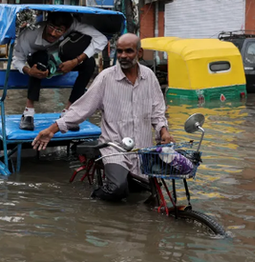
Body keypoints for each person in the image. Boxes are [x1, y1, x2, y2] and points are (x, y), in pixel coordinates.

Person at [32, 33, 174, 202]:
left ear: (140, 53)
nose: (123, 56)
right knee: (117, 189)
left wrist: (164, 132)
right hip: (114, 147)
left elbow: (157, 111)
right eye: (119, 51)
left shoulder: (149, 76)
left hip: (142, 149)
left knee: (147, 194)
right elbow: (81, 109)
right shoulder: (106, 78)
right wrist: (51, 130)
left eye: (128, 51)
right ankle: (95, 199)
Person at [13, 12, 107, 131]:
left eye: (59, 30)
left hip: (62, 60)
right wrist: (29, 71)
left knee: (89, 63)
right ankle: (28, 112)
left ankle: (68, 111)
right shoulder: (29, 35)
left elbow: (101, 38)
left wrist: (76, 61)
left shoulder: (73, 25)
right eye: (51, 27)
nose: (52, 33)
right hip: (40, 64)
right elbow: (17, 59)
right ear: (47, 23)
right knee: (39, 59)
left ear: (66, 29)